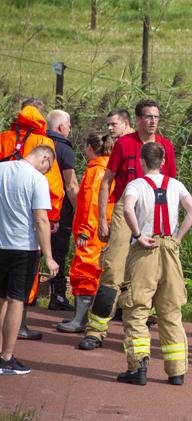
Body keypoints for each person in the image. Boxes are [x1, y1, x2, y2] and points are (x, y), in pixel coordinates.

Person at [79, 100, 177, 351]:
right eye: (148, 116)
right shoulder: (125, 143)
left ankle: (138, 329)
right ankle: (96, 330)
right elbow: (106, 182)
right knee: (113, 269)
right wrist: (103, 218)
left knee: (151, 272)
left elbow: (172, 185)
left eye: (156, 116)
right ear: (138, 119)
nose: (153, 121)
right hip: (126, 208)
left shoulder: (166, 146)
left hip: (155, 209)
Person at [117, 142, 192, 386]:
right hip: (169, 249)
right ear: (162, 161)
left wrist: (137, 234)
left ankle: (138, 367)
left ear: (141, 162)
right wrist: (178, 239)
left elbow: (129, 208)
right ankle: (176, 372)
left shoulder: (136, 184)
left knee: (137, 309)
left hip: (145, 249)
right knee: (171, 311)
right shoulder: (176, 184)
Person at [1, 104, 64, 341]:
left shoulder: (4, 138)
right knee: (17, 295)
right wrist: (54, 216)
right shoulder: (42, 143)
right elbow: (55, 186)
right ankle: (10, 347)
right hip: (23, 237)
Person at [0, 146, 59, 374]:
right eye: (49, 167)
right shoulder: (37, 179)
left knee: (1, 299)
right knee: (16, 300)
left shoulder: (2, 168)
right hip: (22, 247)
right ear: (45, 158)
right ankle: (6, 357)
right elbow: (41, 219)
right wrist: (50, 256)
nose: (46, 172)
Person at [57, 133, 115, 333]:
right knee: (95, 272)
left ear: (90, 148)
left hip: (91, 232)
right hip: (101, 230)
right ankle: (84, 318)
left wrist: (84, 230)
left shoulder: (96, 171)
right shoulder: (108, 167)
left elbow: (92, 203)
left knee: (85, 272)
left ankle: (80, 319)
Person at [46, 110, 80, 311]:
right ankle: (57, 295)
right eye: (68, 124)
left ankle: (28, 295)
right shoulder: (64, 148)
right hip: (59, 209)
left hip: (36, 207)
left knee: (36, 250)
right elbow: (71, 184)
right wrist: (78, 210)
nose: (70, 128)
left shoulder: (38, 142)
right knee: (58, 250)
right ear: (60, 127)